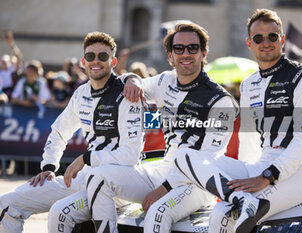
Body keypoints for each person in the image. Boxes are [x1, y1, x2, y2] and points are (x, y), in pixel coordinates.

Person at [171, 9, 302, 233]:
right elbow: (249, 140)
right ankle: (238, 198)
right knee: (184, 155)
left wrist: (267, 176)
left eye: (272, 36)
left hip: (297, 174)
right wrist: (247, 179)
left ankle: (243, 201)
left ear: (282, 40)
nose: (266, 42)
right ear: (249, 43)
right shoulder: (248, 84)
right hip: (259, 167)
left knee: (224, 215)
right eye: (258, 38)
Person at [84, 22, 239, 232]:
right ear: (170, 55)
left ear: (203, 53)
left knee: (158, 211)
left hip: (196, 184)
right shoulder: (165, 81)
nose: (186, 53)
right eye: (179, 48)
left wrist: (165, 189)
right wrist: (132, 80)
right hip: (161, 171)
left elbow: (208, 160)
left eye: (192, 48)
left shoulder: (221, 100)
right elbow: (125, 83)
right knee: (98, 176)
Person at [0, 31, 143, 233]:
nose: (96, 61)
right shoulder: (81, 93)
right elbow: (59, 131)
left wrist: (85, 158)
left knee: (60, 212)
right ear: (83, 62)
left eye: (103, 56)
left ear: (113, 61)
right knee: (6, 204)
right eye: (91, 56)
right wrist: (49, 166)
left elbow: (130, 155)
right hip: (83, 177)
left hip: (115, 183)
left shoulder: (128, 93)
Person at [0, 31, 23, 98]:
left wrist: (11, 44)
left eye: (5, 61)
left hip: (9, 92)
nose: (3, 63)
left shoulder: (11, 70)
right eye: (2, 61)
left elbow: (19, 57)